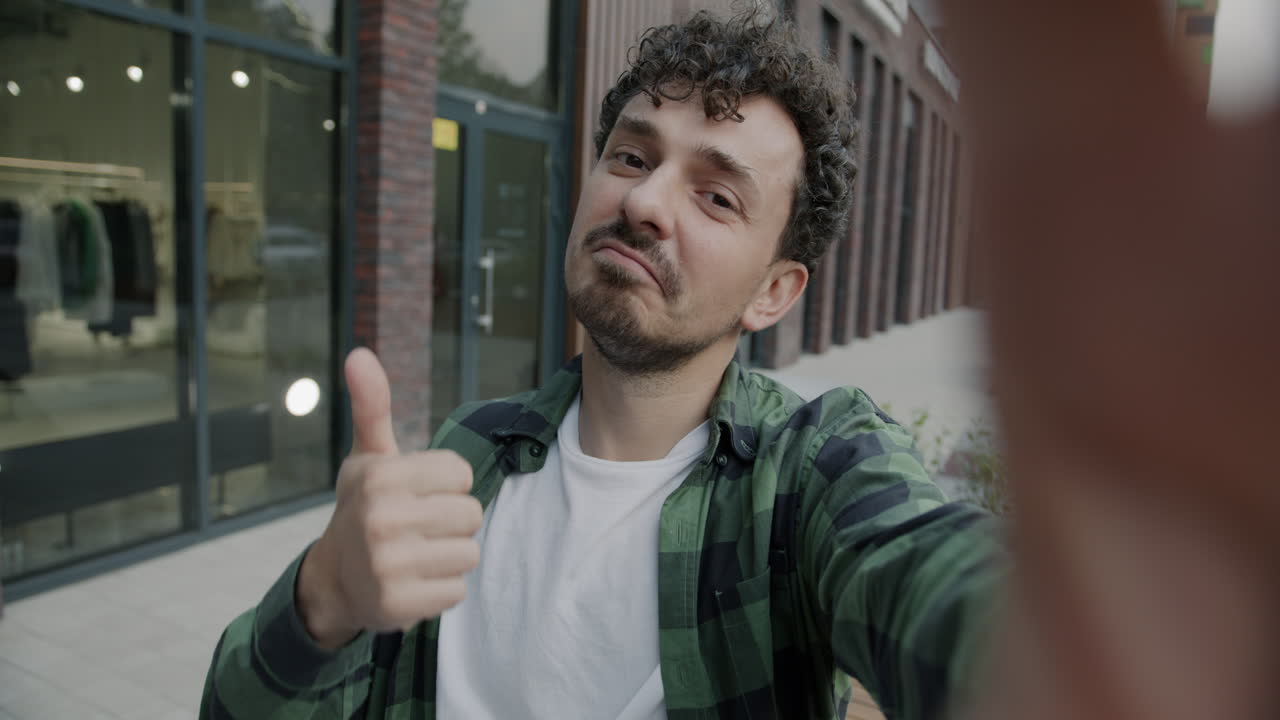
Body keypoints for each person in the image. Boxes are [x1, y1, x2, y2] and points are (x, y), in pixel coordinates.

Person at [199, 8, 1003, 720]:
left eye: (717, 196)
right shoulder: (469, 453)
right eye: (630, 157)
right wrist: (325, 596)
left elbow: (948, 600)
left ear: (774, 292)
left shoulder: (811, 473)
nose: (646, 202)